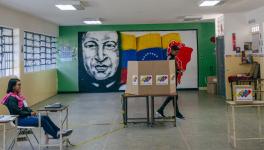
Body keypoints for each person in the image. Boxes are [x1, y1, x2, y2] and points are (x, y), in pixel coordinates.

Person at [1, 78, 73, 139]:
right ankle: (56, 135)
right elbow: (17, 112)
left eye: (20, 84)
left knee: (45, 117)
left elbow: (25, 108)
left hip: (24, 117)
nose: (20, 86)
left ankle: (59, 131)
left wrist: (31, 111)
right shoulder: (11, 98)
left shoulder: (17, 96)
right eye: (18, 85)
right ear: (13, 87)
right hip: (18, 120)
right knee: (42, 120)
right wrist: (29, 113)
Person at [156, 41, 193, 119]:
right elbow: (170, 69)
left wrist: (178, 70)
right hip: (171, 80)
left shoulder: (172, 57)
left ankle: (165, 111)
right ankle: (170, 112)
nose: (177, 53)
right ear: (172, 51)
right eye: (176, 52)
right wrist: (178, 71)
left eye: (178, 52)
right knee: (173, 96)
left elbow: (174, 68)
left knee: (174, 96)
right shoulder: (170, 58)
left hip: (173, 79)